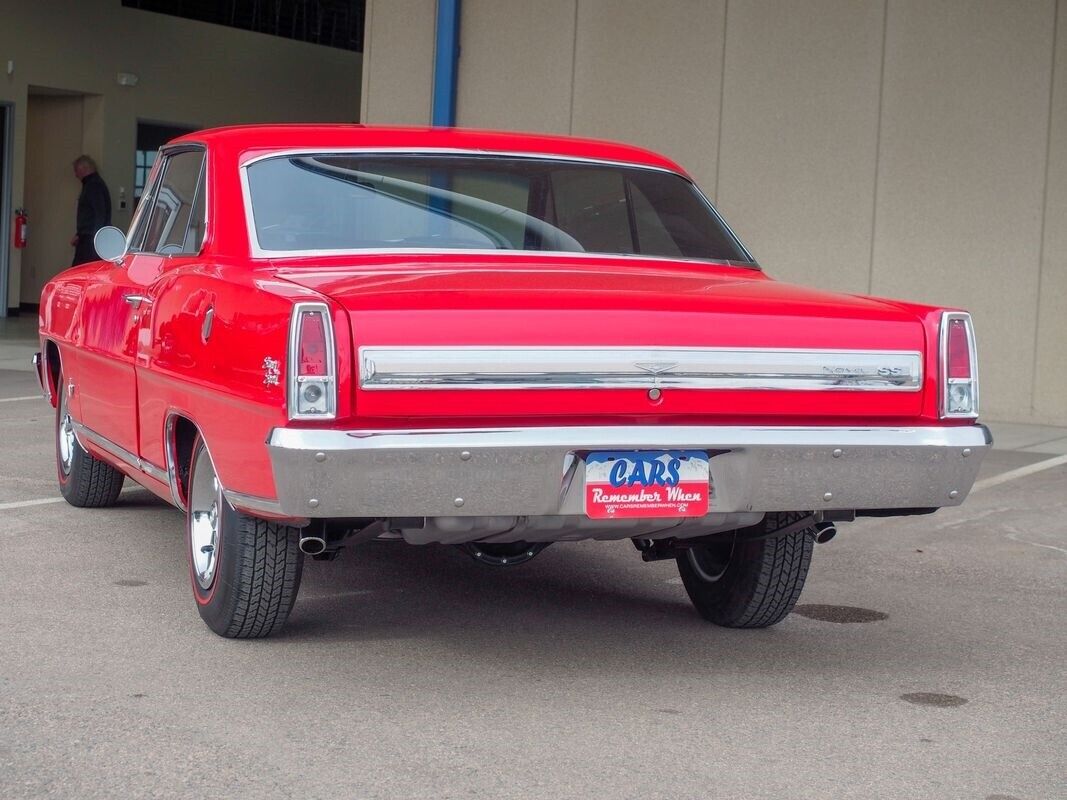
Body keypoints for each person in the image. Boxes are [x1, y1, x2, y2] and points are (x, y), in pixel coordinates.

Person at [70, 155, 112, 265]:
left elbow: (100, 214)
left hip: (91, 242)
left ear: (83, 168)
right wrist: (80, 234)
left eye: (76, 170)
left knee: (80, 272)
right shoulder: (93, 184)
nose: (75, 175)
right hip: (89, 239)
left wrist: (95, 241)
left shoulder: (94, 186)